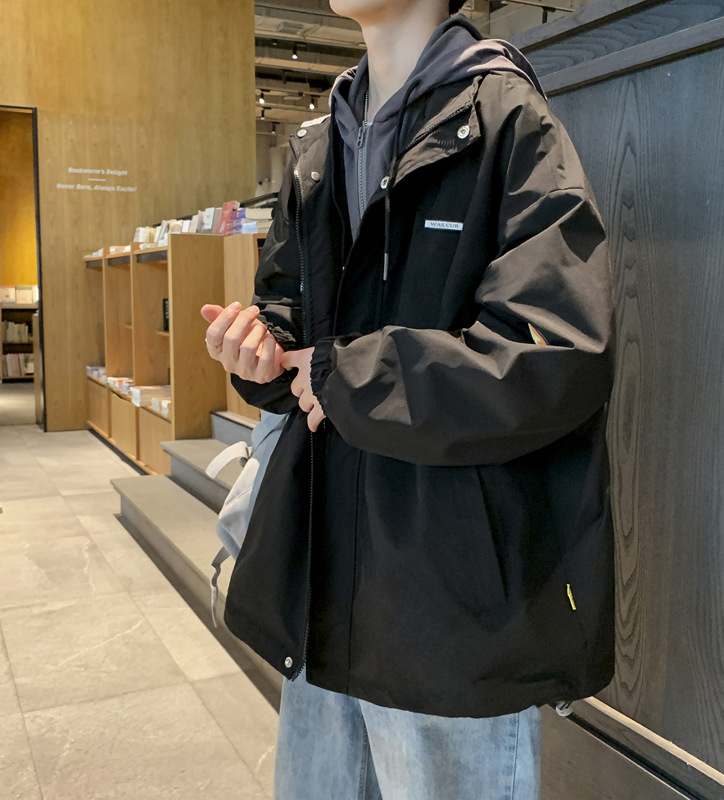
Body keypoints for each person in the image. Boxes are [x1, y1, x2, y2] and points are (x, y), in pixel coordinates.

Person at [201, 0, 616, 796]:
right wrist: (259, 353)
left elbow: (556, 350)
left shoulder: (504, 119)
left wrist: (347, 375)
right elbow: (291, 313)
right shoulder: (319, 143)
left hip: (448, 605)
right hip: (320, 588)